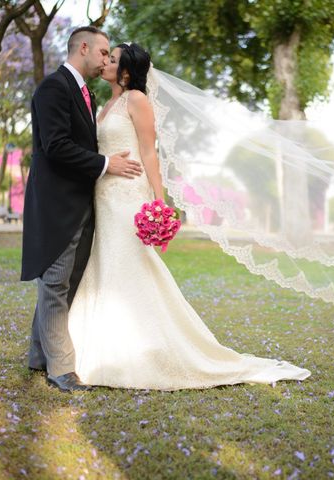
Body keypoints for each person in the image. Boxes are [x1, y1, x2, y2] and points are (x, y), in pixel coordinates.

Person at [67, 42, 311, 390]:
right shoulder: (106, 104)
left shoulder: (136, 100)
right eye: (106, 57)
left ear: (126, 71)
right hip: (103, 197)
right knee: (106, 265)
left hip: (128, 197)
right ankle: (101, 347)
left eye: (113, 59)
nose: (105, 62)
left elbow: (150, 153)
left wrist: (159, 204)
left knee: (129, 266)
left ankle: (148, 350)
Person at [21, 27, 144, 392]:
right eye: (104, 52)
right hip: (57, 205)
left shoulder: (84, 92)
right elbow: (56, 146)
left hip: (84, 204)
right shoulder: (53, 88)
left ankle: (38, 355)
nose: (107, 60)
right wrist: (106, 164)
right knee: (56, 283)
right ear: (84, 48)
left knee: (64, 283)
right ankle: (62, 370)